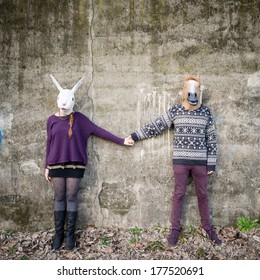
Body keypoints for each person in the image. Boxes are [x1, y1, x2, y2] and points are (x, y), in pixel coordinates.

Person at [45, 74, 134, 250]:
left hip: (75, 165)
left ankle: (70, 235)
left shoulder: (80, 119)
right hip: (55, 165)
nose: (63, 104)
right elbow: (49, 143)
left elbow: (100, 131)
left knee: (71, 197)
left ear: (73, 100)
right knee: (59, 198)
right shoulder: (51, 120)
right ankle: (58, 235)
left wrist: (122, 140)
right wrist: (46, 166)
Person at [130, 76, 221, 246]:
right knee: (178, 194)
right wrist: (135, 136)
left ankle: (208, 229)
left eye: (196, 89)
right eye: (189, 88)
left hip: (200, 162)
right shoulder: (175, 111)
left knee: (203, 195)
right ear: (184, 91)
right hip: (180, 161)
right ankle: (174, 230)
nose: (193, 92)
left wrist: (211, 162)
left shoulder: (206, 112)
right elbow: (156, 126)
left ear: (199, 91)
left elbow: (212, 138)